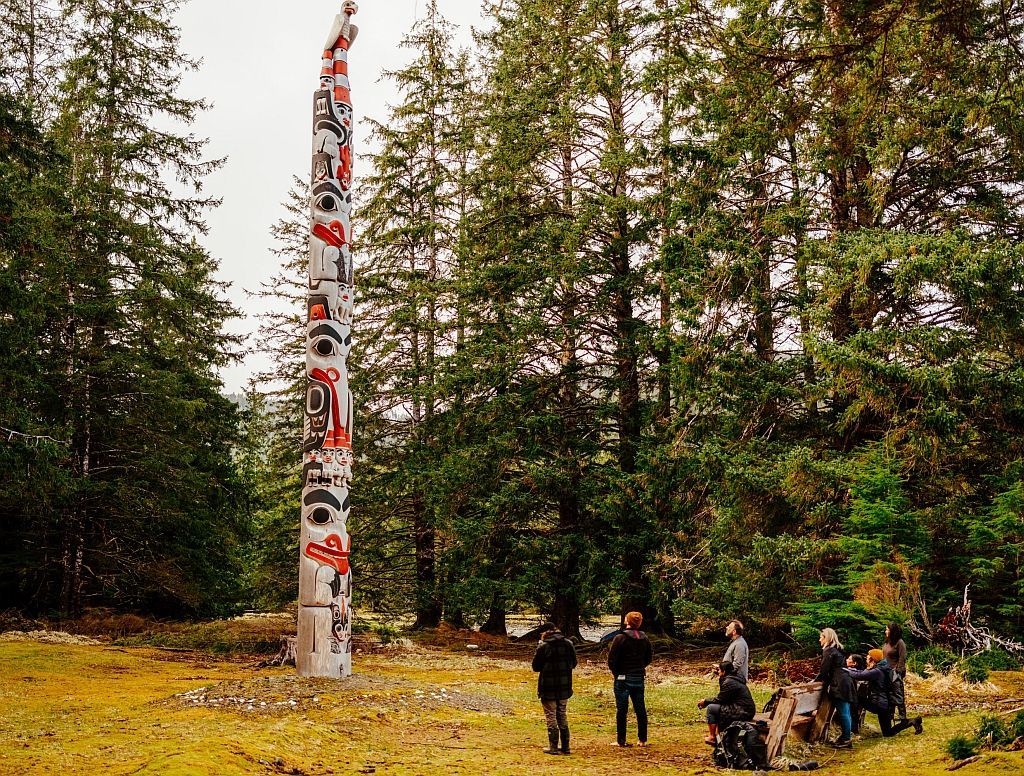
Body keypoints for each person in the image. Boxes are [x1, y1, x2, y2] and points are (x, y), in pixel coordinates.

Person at [846, 649, 923, 738]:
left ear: (873, 659)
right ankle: (913, 721)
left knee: (857, 699)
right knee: (888, 733)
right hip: (885, 704)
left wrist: (845, 670)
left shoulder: (877, 671)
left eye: (868, 655)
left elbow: (859, 675)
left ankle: (853, 729)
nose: (866, 657)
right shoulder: (881, 668)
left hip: (879, 704)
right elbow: (862, 673)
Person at [608, 610, 653, 747]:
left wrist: (617, 673)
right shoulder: (644, 638)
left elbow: (612, 659)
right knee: (640, 708)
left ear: (627, 621)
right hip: (638, 676)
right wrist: (639, 667)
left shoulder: (620, 638)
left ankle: (621, 740)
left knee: (622, 709)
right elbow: (648, 658)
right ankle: (642, 739)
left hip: (622, 677)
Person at [532, 622, 577, 755]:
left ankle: (553, 746)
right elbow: (573, 663)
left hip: (548, 686)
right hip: (564, 685)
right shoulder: (568, 643)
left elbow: (536, 667)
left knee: (551, 715)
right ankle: (566, 747)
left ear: (544, 633)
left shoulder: (544, 646)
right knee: (562, 714)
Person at [814, 628, 856, 748]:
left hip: (839, 684)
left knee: (843, 712)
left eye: (821, 637)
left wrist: (815, 681)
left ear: (826, 638)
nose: (819, 640)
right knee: (846, 711)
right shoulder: (838, 650)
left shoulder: (828, 651)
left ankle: (846, 739)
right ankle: (845, 737)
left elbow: (824, 671)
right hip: (846, 681)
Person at [698, 661, 756, 745]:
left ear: (724, 671)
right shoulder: (735, 677)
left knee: (711, 708)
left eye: (719, 670)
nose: (718, 672)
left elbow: (720, 699)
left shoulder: (729, 682)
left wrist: (705, 701)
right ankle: (719, 736)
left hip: (743, 711)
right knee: (718, 708)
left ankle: (712, 737)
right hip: (745, 709)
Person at [883, 622, 908, 720]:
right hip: (886, 672)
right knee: (889, 694)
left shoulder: (900, 642)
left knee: (898, 693)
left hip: (895, 672)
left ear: (892, 631)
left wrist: (898, 671)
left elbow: (902, 657)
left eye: (887, 629)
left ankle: (902, 716)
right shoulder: (887, 642)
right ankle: (890, 715)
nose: (885, 631)